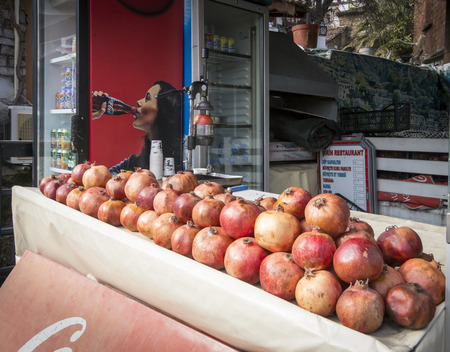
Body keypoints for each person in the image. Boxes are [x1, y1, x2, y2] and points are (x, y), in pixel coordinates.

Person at [92, 80, 182, 175]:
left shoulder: (179, 165)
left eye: (148, 98)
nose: (138, 102)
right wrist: (91, 116)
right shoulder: (132, 163)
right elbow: (101, 181)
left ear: (166, 112)